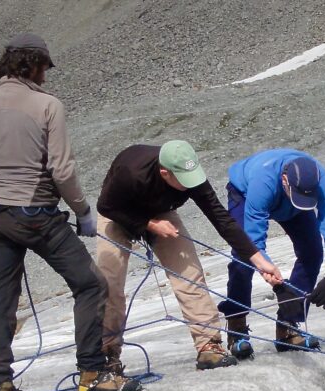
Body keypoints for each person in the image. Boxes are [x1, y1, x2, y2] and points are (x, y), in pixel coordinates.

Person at [0, 33, 140, 391]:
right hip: (38, 214)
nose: (46, 75)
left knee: (2, 298)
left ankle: (0, 388)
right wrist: (83, 211)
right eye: (44, 68)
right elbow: (61, 169)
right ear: (34, 65)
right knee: (90, 285)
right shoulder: (47, 106)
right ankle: (93, 375)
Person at [95, 141, 282, 371]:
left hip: (161, 212)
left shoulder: (192, 176)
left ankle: (208, 346)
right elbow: (105, 206)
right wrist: (149, 224)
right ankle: (106, 354)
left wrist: (260, 261)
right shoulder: (131, 173)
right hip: (118, 212)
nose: (190, 183)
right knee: (109, 283)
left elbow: (221, 218)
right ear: (165, 173)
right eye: (183, 179)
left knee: (190, 272)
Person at [218, 148, 325, 355]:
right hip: (244, 192)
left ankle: (288, 325)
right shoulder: (263, 183)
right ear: (285, 180)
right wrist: (276, 283)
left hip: (289, 202)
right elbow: (253, 241)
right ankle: (236, 327)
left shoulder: (321, 182)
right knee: (243, 257)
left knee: (312, 252)